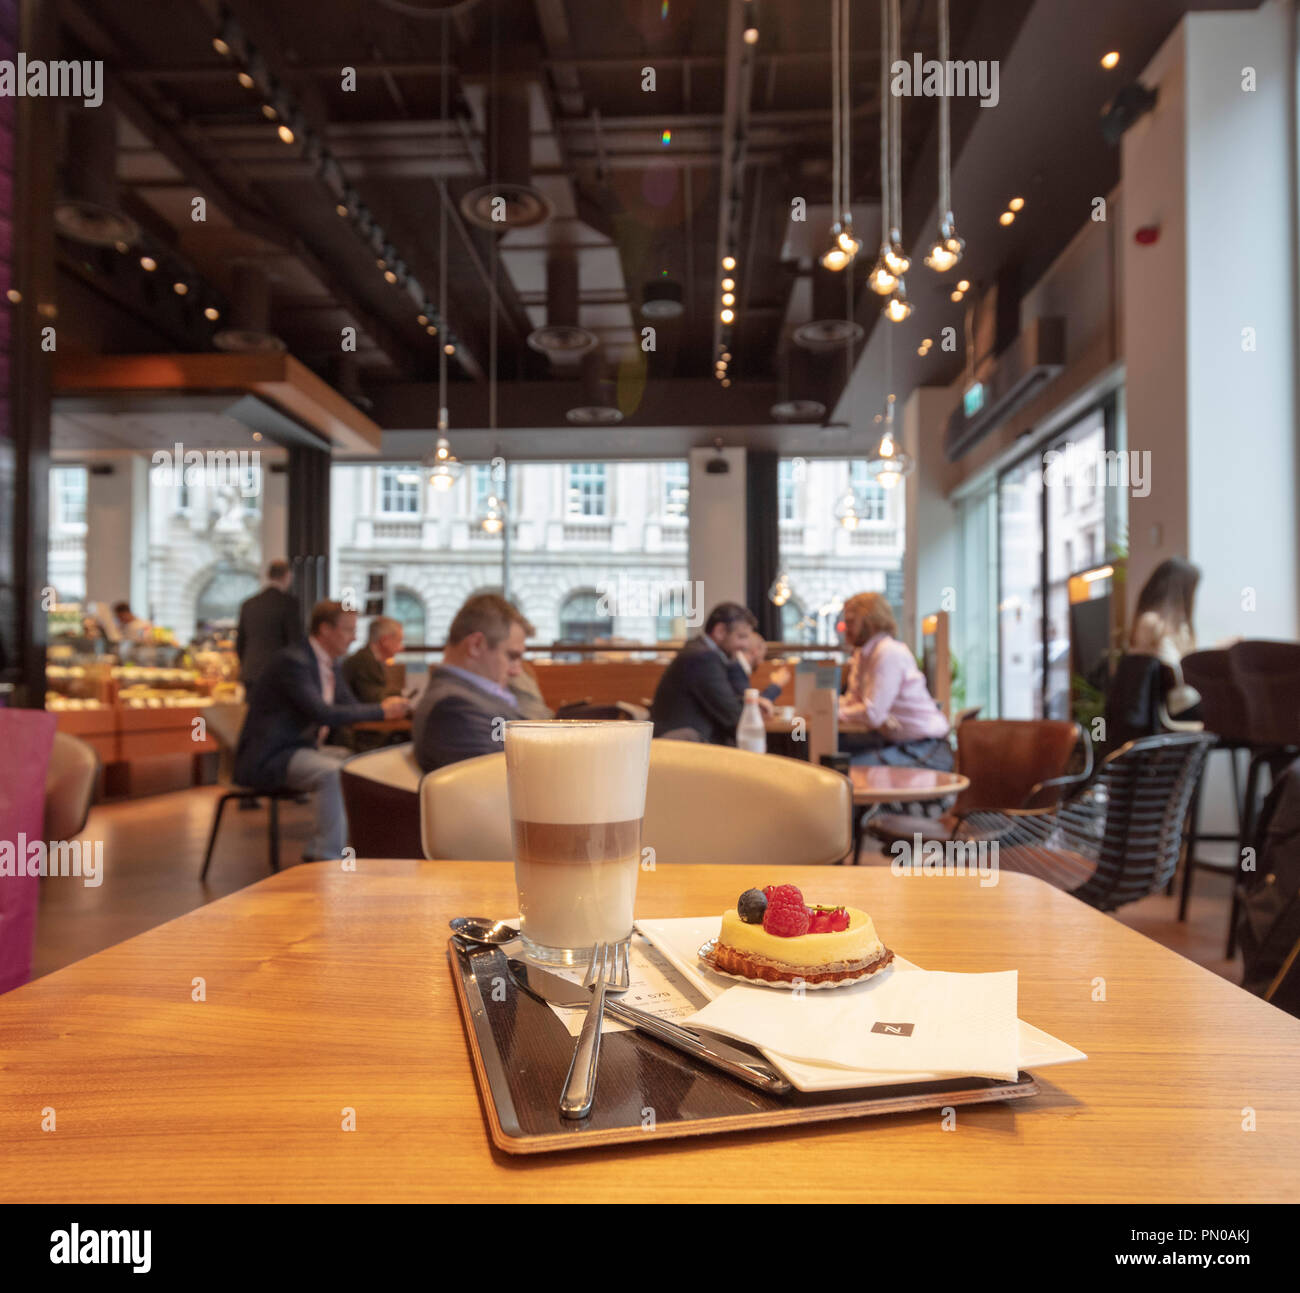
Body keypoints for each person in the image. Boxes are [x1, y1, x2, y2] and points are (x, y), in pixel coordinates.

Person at [234, 600, 410, 860]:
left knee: (360, 764)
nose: (354, 638)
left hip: (302, 748)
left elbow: (349, 707)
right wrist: (383, 710)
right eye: (348, 630)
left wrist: (386, 707)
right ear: (325, 630)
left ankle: (371, 848)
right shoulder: (293, 662)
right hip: (272, 755)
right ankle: (326, 857)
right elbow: (322, 713)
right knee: (334, 772)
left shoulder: (330, 664)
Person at [412, 594, 530, 772]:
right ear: (475, 645)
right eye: (511, 656)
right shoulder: (453, 709)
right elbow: (504, 784)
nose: (517, 671)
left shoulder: (463, 699)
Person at [838, 592, 952, 768]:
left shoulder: (887, 652)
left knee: (845, 772)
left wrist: (836, 713)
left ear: (870, 623)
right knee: (832, 759)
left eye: (852, 622)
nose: (845, 628)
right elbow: (855, 701)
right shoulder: (863, 655)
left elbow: (873, 714)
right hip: (900, 743)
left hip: (927, 749)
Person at [651, 602, 768, 744]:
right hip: (685, 747)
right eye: (741, 637)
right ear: (720, 631)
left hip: (686, 742)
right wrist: (736, 660)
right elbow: (733, 716)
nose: (745, 645)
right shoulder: (703, 658)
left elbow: (731, 705)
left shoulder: (701, 651)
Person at [1128, 557, 1202, 719]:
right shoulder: (1151, 623)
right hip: (1171, 706)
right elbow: (1174, 670)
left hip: (1178, 701)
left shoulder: (1177, 627)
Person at [236, 559, 303, 689]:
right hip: (278, 674)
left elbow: (240, 644)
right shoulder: (289, 603)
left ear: (268, 575)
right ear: (287, 576)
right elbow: (294, 641)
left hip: (251, 672)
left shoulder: (248, 604)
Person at [729, 632, 791, 704]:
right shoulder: (736, 668)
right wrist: (777, 684)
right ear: (756, 650)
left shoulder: (737, 666)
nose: (761, 662)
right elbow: (753, 705)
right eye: (763, 655)